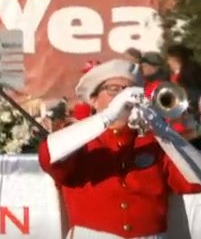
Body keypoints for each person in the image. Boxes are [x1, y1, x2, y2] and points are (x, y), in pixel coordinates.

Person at [38, 59, 201, 238]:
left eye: (131, 91)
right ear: (94, 100)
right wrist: (108, 115)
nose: (124, 97)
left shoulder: (156, 144)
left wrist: (162, 130)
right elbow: (48, 157)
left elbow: (195, 182)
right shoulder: (79, 143)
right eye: (114, 89)